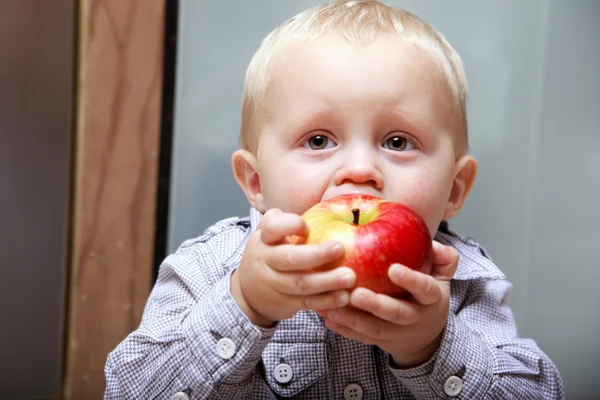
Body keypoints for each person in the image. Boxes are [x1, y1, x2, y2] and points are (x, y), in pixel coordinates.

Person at [104, 1, 564, 398]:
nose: (359, 169)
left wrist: (434, 347)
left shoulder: (463, 285)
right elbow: (128, 389)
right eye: (319, 140)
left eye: (399, 142)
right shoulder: (210, 268)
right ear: (257, 181)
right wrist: (245, 304)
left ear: (455, 189)